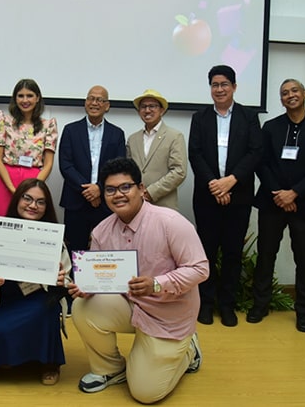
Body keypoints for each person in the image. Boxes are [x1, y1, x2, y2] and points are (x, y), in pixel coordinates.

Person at [69, 157, 209, 404]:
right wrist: (86, 287)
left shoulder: (170, 222)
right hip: (130, 304)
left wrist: (156, 283)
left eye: (126, 187)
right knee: (82, 307)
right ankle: (110, 368)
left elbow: (200, 269)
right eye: (110, 190)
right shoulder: (101, 231)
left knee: (145, 393)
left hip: (168, 314)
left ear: (141, 189)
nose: (118, 195)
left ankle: (189, 350)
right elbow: (101, 278)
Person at [247, 79, 305, 333]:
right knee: (265, 256)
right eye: (284, 93)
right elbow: (262, 163)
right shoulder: (271, 128)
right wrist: (280, 195)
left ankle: (304, 311)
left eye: (294, 91)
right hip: (272, 203)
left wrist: (294, 194)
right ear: (281, 99)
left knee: (304, 259)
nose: (290, 95)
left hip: (304, 206)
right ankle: (260, 305)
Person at [188, 65, 263, 327]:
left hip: (238, 196)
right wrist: (214, 185)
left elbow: (255, 152)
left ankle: (227, 304)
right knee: (205, 251)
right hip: (207, 197)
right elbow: (194, 154)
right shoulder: (200, 117)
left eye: (224, 84)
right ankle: (206, 303)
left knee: (232, 252)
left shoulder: (249, 116)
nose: (219, 89)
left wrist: (230, 182)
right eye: (214, 85)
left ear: (234, 87)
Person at [0, 179, 71, 385]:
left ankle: (50, 362)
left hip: (40, 297)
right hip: (6, 296)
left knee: (46, 310)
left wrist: (61, 279)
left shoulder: (53, 236)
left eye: (40, 202)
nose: (32, 205)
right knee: (2, 330)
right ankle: (11, 356)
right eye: (27, 198)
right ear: (17, 200)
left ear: (47, 207)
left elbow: (69, 278)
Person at [58, 85, 126, 253]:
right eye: (90, 98)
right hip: (76, 201)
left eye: (99, 100)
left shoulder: (117, 134)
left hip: (105, 203)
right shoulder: (70, 130)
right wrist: (88, 190)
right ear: (85, 102)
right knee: (75, 250)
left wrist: (99, 188)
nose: (94, 103)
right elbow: (65, 165)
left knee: (105, 250)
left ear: (107, 106)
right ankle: (75, 280)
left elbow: (119, 167)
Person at [0, 79, 58, 216]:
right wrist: (12, 189)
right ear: (15, 98)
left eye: (30, 95)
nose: (25, 100)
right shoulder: (3, 120)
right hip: (5, 179)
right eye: (20, 96)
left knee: (27, 223)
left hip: (34, 180)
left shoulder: (48, 125)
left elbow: (48, 164)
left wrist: (31, 188)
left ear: (37, 98)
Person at [126, 89, 187, 210]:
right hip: (136, 205)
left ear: (162, 110)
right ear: (139, 111)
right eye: (143, 107)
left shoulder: (174, 136)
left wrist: (151, 192)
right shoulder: (132, 139)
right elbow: (128, 170)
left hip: (163, 204)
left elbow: (179, 171)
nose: (147, 110)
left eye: (152, 106)